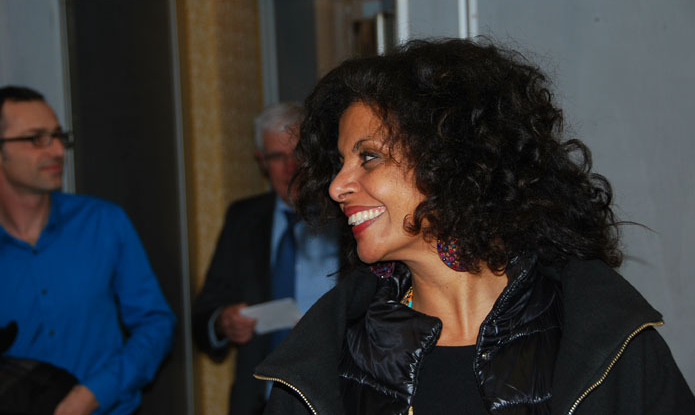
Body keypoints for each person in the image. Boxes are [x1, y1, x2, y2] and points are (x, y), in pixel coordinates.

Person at [255, 39, 695, 414]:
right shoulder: (324, 365)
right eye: (339, 163)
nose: (337, 187)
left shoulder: (606, 341)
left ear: (452, 161)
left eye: (368, 157)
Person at [0, 85, 176, 415]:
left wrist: (93, 393)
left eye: (57, 136)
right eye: (36, 139)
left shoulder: (103, 222)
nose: (57, 150)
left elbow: (156, 324)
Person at [192, 102, 340, 415]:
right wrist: (224, 322)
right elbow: (204, 314)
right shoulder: (243, 219)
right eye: (277, 157)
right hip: (261, 401)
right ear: (262, 162)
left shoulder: (345, 216)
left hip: (337, 397)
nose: (291, 167)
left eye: (299, 154)